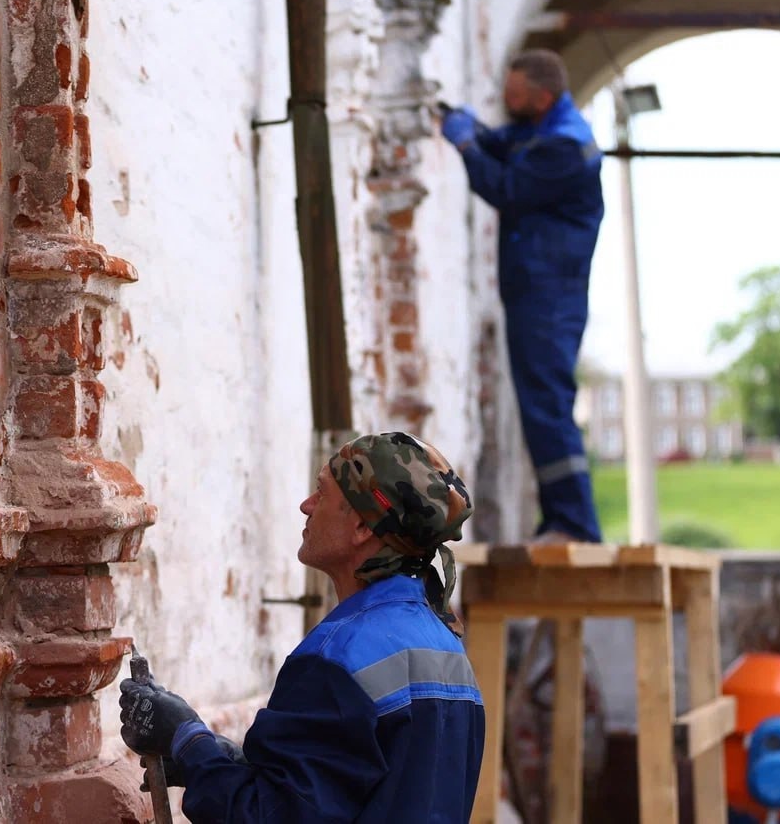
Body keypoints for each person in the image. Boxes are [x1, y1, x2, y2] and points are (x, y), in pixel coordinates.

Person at [118, 432, 485, 823]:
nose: (305, 506)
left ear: (363, 526)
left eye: (321, 493)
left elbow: (265, 816)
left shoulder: (337, 659)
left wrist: (186, 737)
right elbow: (366, 792)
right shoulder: (450, 651)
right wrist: (226, 762)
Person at [441, 48, 605, 543]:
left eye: (513, 95)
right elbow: (508, 144)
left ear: (542, 96)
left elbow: (508, 185)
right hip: (539, 289)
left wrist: (467, 147)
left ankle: (574, 523)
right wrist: (474, 131)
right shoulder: (548, 129)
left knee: (547, 404)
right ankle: (564, 518)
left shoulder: (565, 147)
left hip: (549, 294)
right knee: (542, 403)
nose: (505, 102)